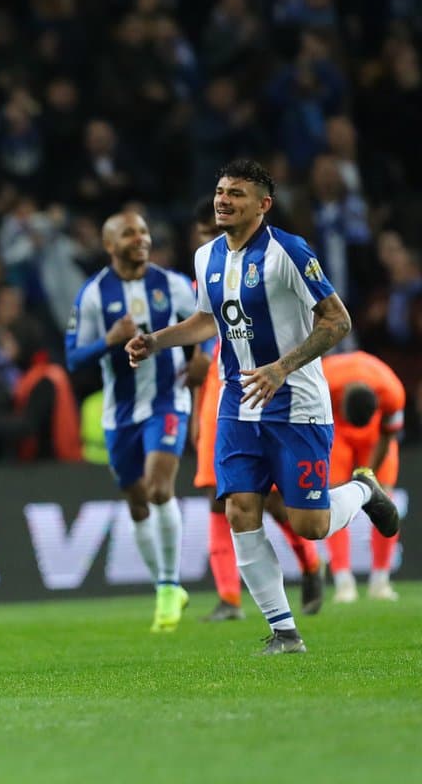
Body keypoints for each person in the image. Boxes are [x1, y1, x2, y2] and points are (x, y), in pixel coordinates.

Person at [126, 159, 400, 655]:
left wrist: (281, 367)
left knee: (309, 526)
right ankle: (284, 631)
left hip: (295, 403)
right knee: (240, 508)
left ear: (263, 205)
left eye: (236, 193)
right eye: (220, 191)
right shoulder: (206, 256)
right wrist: (158, 340)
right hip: (237, 402)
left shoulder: (288, 253)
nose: (223, 200)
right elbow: (208, 322)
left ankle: (362, 488)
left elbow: (337, 321)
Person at [186, 198, 324, 623]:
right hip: (221, 394)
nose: (212, 240)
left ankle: (310, 563)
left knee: (280, 504)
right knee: (221, 496)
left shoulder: (272, 261)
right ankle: (230, 598)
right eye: (205, 234)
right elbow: (202, 338)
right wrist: (195, 408)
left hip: (269, 384)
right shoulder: (204, 269)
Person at [66, 212, 198, 632]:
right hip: (120, 414)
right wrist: (108, 341)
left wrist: (203, 358)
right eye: (130, 233)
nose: (141, 238)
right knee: (138, 500)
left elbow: (210, 322)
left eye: (144, 230)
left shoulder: (171, 284)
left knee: (160, 489)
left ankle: (167, 586)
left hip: (167, 401)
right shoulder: (92, 296)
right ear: (110, 245)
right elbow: (72, 357)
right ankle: (165, 585)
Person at [319, 351, 406, 603]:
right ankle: (344, 582)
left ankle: (381, 581)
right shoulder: (323, 380)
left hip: (374, 435)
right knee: (331, 500)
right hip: (334, 428)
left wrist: (369, 478)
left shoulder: (393, 392)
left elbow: (388, 435)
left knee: (385, 497)